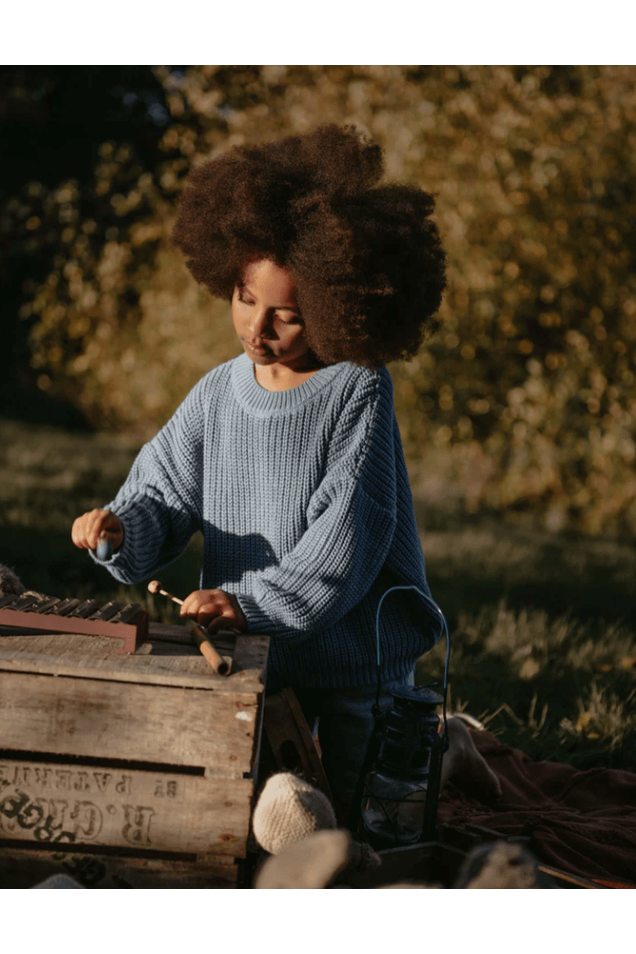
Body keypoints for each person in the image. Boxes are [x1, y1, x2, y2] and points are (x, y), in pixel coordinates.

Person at [71, 124, 447, 824]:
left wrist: (252, 604)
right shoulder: (218, 392)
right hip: (256, 669)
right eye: (246, 299)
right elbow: (162, 490)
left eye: (288, 316)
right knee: (248, 821)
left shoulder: (356, 390)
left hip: (353, 670)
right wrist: (123, 530)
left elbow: (348, 541)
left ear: (342, 308)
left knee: (364, 822)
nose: (257, 329)